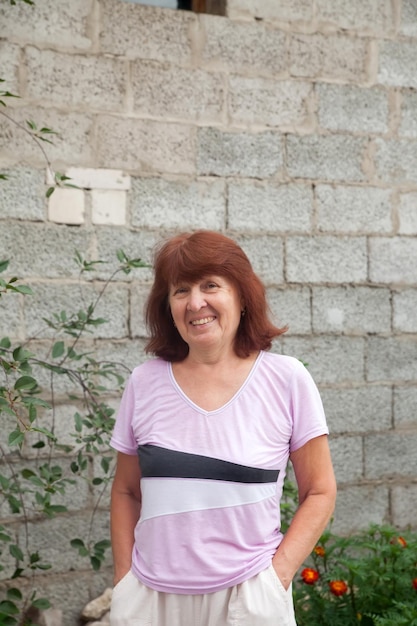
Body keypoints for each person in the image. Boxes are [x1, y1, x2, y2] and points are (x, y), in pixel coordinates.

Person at [109, 230, 336, 626]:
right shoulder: (143, 383)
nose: (196, 303)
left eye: (210, 285)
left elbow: (319, 490)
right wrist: (125, 582)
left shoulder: (286, 379)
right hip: (151, 601)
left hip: (247, 597)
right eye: (181, 290)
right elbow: (127, 490)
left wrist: (274, 579)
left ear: (242, 296)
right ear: (167, 306)